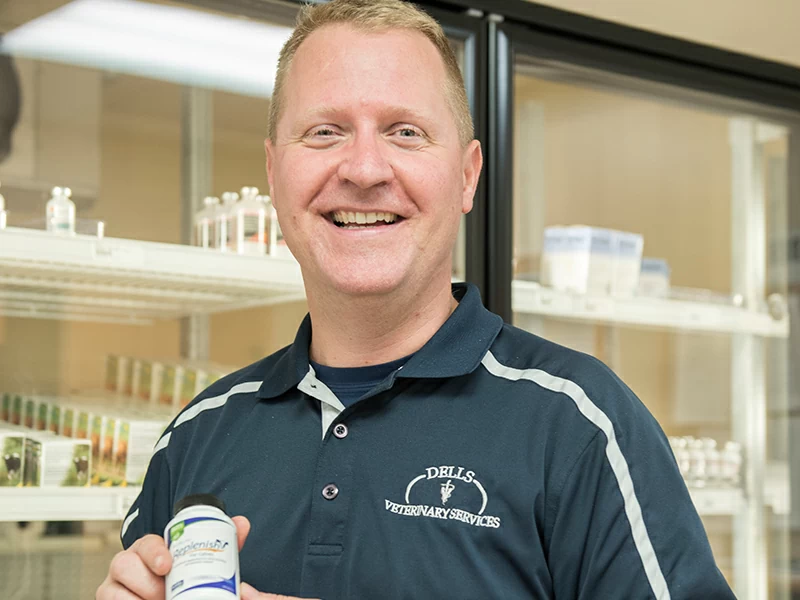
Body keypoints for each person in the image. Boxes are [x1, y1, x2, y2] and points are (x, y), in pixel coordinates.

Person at [97, 1, 736, 598]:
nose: (365, 169)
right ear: (273, 174)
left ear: (466, 175)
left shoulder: (581, 429)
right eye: (324, 131)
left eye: (405, 132)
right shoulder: (199, 433)